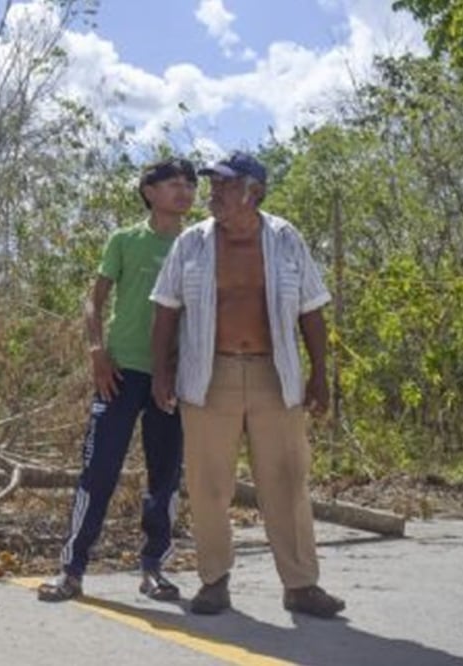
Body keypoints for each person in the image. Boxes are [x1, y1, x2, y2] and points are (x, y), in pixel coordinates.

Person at [149, 151, 346, 618]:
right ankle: (214, 582)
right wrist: (161, 372)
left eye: (224, 184)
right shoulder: (191, 244)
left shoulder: (284, 239)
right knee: (208, 484)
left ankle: (300, 586)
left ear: (253, 191)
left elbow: (312, 309)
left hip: (273, 375)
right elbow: (166, 310)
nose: (212, 193)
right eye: (212, 184)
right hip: (208, 374)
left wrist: (319, 374)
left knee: (287, 480)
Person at [37, 159, 196, 603]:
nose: (184, 191)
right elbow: (94, 299)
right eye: (173, 184)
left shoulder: (199, 245)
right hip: (121, 374)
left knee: (164, 477)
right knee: (98, 471)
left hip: (173, 378)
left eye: (190, 184)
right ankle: (71, 570)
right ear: (149, 191)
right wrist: (96, 351)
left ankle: (154, 570)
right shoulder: (125, 240)